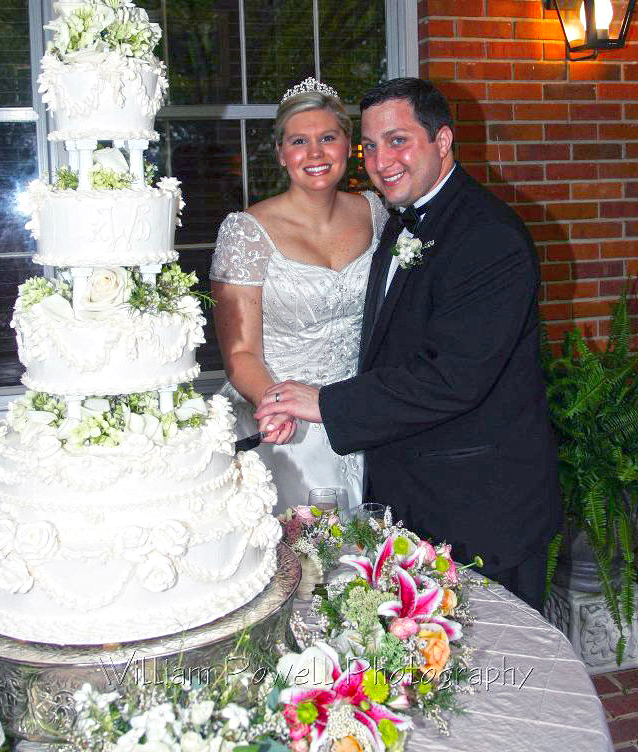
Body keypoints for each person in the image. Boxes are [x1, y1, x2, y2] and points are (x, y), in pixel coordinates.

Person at [256, 77, 560, 611]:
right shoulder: (402, 221)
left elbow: (453, 378)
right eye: (370, 146)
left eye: (398, 140)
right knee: (425, 668)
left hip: (481, 507)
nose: (381, 160)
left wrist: (325, 401)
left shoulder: (488, 237)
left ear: (442, 141)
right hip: (414, 491)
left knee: (498, 677)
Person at [210, 77, 387, 514]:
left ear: (349, 145)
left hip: (364, 414)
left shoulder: (379, 212)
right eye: (299, 141)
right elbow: (241, 353)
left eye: (327, 138)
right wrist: (276, 405)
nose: (315, 153)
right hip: (283, 424)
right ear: (281, 153)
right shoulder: (245, 232)